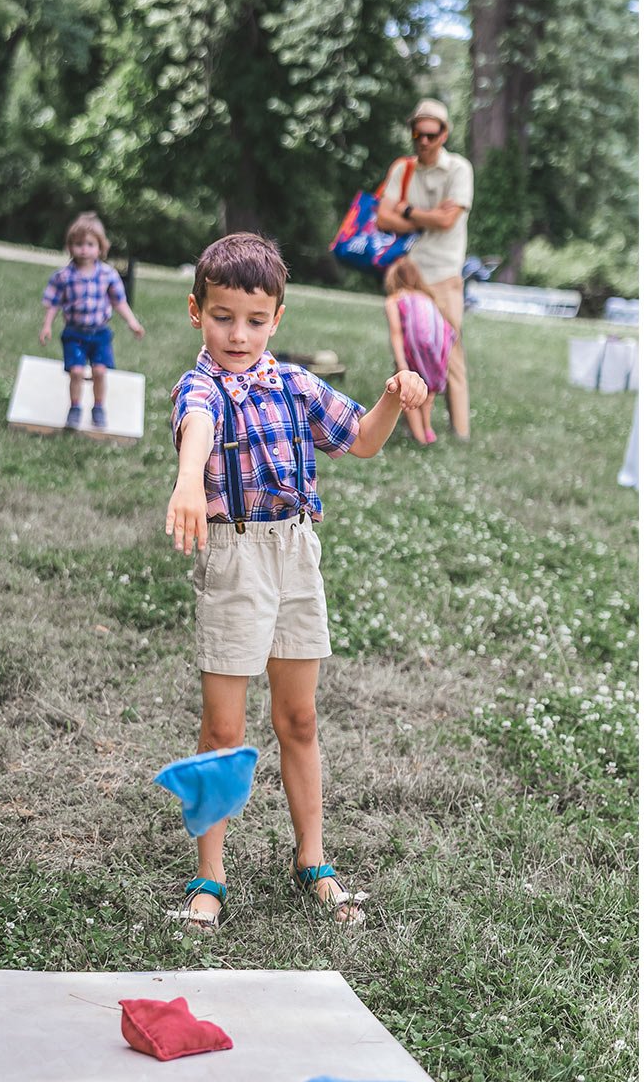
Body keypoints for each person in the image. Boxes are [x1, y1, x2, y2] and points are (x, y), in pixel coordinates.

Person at [161, 233, 427, 930]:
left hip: (296, 556)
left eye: (255, 320)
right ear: (197, 311)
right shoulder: (202, 387)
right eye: (223, 317)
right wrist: (189, 482)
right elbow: (196, 428)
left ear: (277, 316)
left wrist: (394, 396)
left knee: (298, 720)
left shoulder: (296, 385)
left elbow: (362, 440)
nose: (238, 334)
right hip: (236, 556)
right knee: (223, 728)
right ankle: (209, 875)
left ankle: (311, 858)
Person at [375, 98, 472, 442]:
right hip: (408, 274)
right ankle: (403, 426)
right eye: (418, 133)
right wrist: (425, 215)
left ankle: (460, 433)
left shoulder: (459, 169)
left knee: (450, 352)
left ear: (444, 134)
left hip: (444, 273)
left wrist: (409, 211)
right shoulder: (403, 169)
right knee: (405, 352)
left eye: (432, 134)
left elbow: (448, 221)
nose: (424, 140)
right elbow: (383, 217)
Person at [40, 212, 145, 432]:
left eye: (90, 244)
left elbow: (119, 302)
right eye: (78, 244)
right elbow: (54, 303)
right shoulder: (64, 276)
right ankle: (75, 407)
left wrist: (132, 323)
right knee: (76, 372)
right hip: (74, 333)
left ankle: (98, 407)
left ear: (100, 247)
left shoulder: (108, 275)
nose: (84, 249)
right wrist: (47, 326)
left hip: (99, 334)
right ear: (70, 247)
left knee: (99, 372)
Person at [382, 256, 454, 446]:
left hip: (414, 351)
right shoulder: (427, 298)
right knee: (427, 391)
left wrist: (402, 364)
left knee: (406, 392)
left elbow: (397, 333)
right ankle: (428, 430)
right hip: (437, 349)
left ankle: (419, 438)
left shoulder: (395, 300)